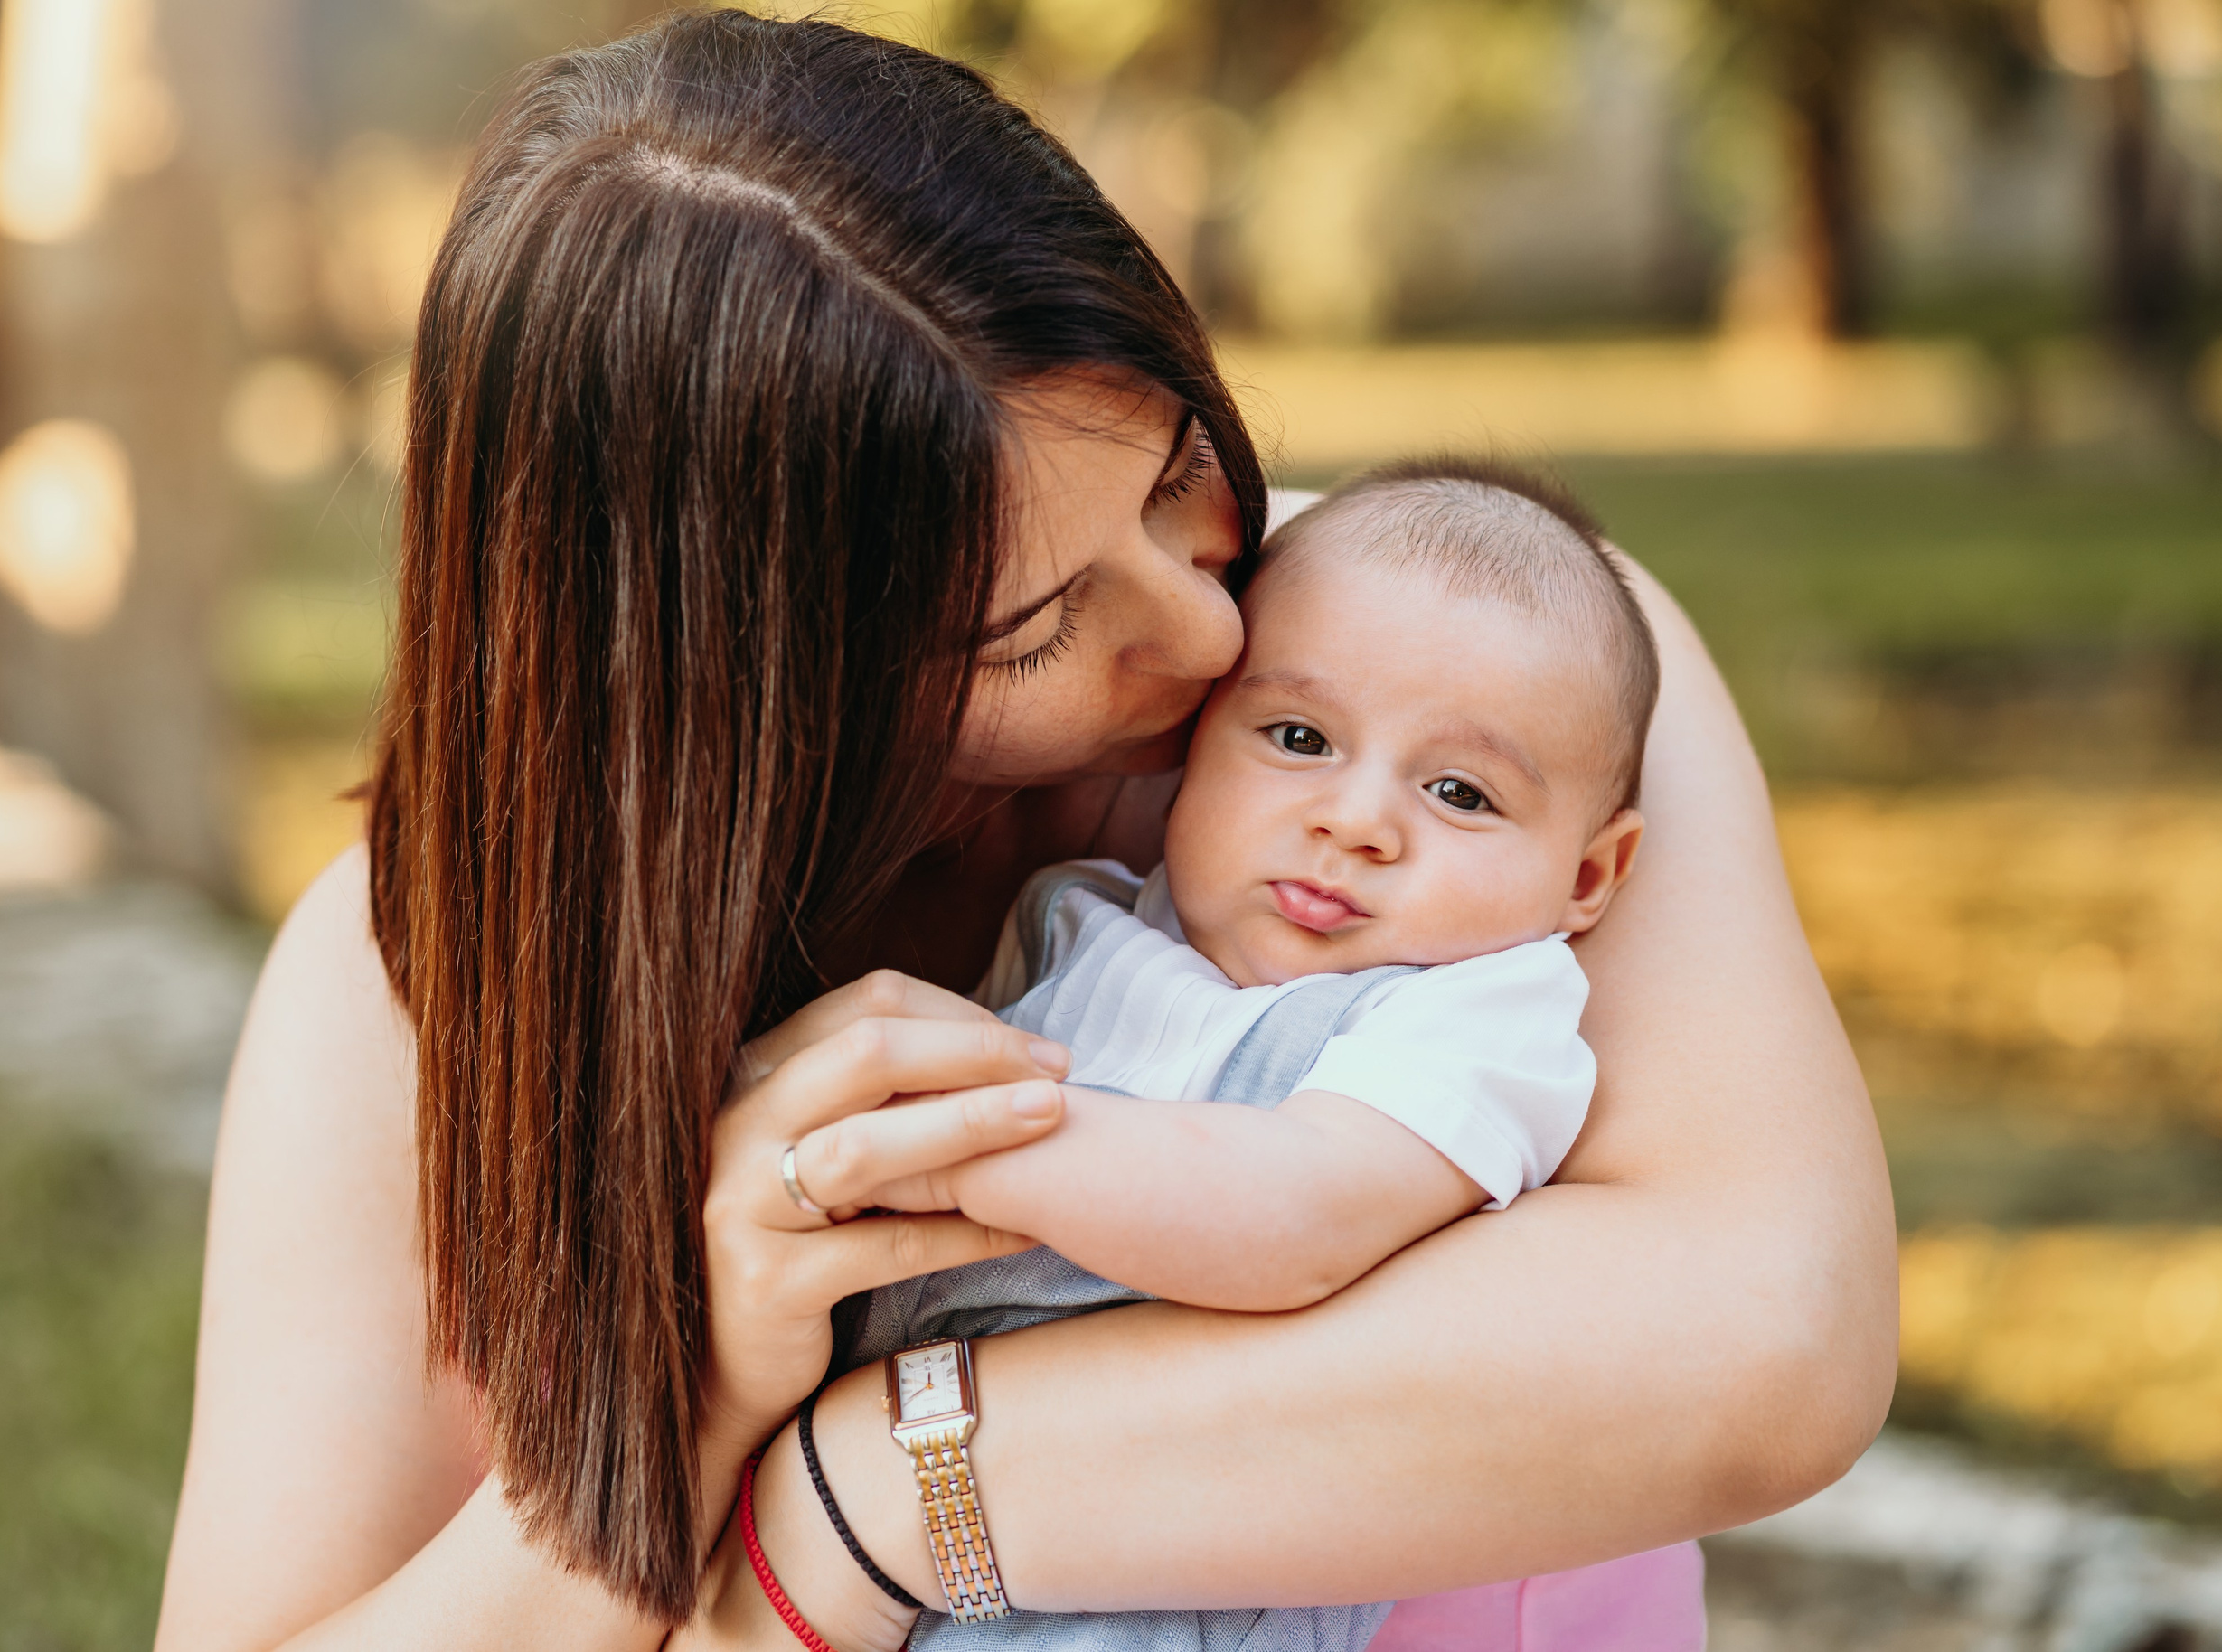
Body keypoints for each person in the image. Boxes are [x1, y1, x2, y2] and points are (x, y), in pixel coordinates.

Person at [152, 14, 1897, 1652]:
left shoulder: (1487, 679)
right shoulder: (408, 994)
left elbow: (1774, 1339)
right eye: (1032, 628)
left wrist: (875, 1493)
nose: (1213, 637)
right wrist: (683, 1418)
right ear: (747, 698)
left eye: (1172, 475)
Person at [797, 456, 1657, 1652]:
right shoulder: (1070, 922)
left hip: (1168, 1579)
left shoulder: (1476, 1018)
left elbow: (1292, 1214)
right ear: (1196, 749)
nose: (1355, 821)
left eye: (1459, 792)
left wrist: (952, 1151)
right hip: (919, 1531)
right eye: (1299, 736)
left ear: (1585, 877)